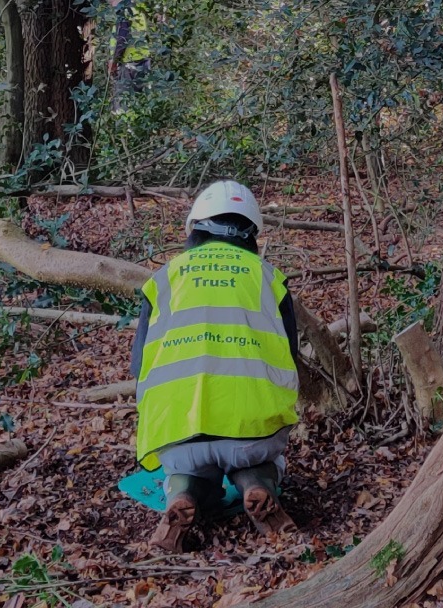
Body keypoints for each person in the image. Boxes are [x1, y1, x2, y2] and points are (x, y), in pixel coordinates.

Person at [129, 180, 300, 552]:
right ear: (251, 233)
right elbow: (292, 357)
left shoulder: (164, 279)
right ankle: (257, 488)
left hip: (177, 435)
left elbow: (138, 366)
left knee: (185, 468)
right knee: (258, 456)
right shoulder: (269, 278)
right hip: (253, 434)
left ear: (195, 227)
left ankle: (183, 495)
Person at [107, 0, 151, 110]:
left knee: (123, 107)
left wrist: (114, 61)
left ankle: (124, 125)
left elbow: (122, 38)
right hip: (143, 62)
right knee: (139, 104)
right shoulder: (137, 9)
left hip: (129, 65)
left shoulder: (124, 11)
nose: (110, 3)